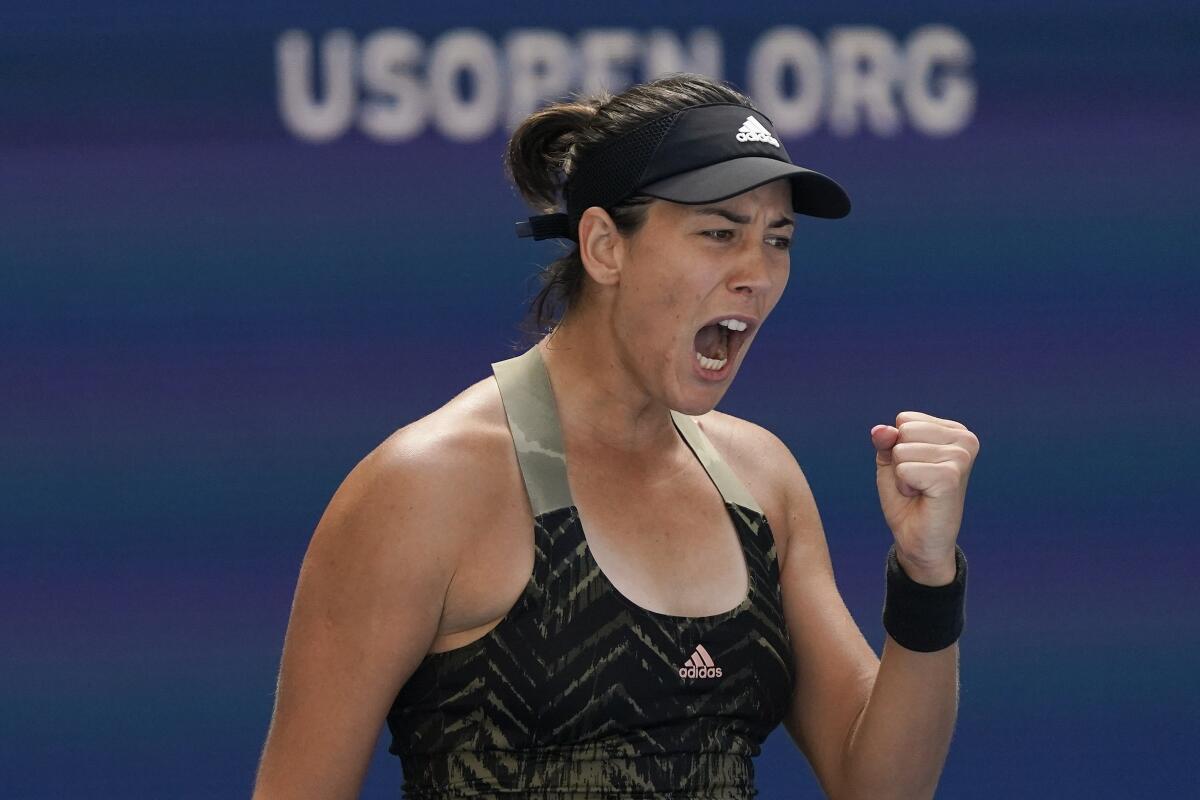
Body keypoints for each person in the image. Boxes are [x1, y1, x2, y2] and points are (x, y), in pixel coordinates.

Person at [252, 73, 978, 800]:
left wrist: (926, 575)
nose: (756, 274)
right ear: (604, 247)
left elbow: (880, 786)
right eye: (720, 232)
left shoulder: (761, 481)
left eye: (778, 240)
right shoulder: (425, 487)